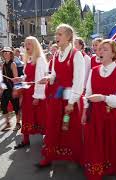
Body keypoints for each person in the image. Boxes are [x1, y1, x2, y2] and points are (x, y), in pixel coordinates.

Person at [37, 24, 85, 168]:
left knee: (70, 127)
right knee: (53, 126)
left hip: (70, 97)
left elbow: (78, 81)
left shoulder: (76, 55)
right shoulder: (57, 54)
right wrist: (49, 78)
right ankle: (49, 156)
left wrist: (71, 102)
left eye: (60, 34)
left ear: (69, 37)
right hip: (57, 96)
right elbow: (55, 74)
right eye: (56, 34)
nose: (56, 37)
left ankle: (77, 157)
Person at [81, 39, 116, 180]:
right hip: (94, 114)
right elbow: (88, 94)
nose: (100, 51)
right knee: (95, 142)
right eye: (99, 49)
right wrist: (85, 111)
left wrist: (104, 98)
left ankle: (109, 167)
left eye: (105, 49)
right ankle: (96, 168)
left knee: (110, 141)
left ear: (114, 54)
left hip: (112, 115)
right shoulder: (94, 71)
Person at [13, 36, 48, 149]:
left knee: (41, 116)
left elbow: (41, 79)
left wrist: (37, 96)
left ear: (35, 45)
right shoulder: (28, 59)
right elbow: (27, 76)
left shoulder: (40, 59)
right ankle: (26, 140)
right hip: (27, 93)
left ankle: (47, 141)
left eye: (29, 44)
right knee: (27, 116)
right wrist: (20, 79)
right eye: (25, 44)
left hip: (37, 93)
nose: (26, 46)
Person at [1, 47, 21, 131]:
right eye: (4, 52)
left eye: (7, 52)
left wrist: (15, 89)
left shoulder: (13, 64)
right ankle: (8, 123)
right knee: (3, 106)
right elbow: (2, 78)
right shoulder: (3, 64)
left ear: (10, 54)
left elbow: (16, 78)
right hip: (6, 89)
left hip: (12, 88)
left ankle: (18, 123)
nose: (5, 53)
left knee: (16, 107)